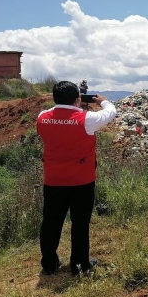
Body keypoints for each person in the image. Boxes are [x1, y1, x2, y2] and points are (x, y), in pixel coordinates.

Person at [36, 81, 117, 276]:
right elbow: (110, 113)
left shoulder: (42, 117)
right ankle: (79, 264)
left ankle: (49, 264)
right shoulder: (86, 119)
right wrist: (104, 102)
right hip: (82, 181)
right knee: (80, 223)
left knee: (51, 222)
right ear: (77, 99)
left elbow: (54, 114)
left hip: (53, 180)